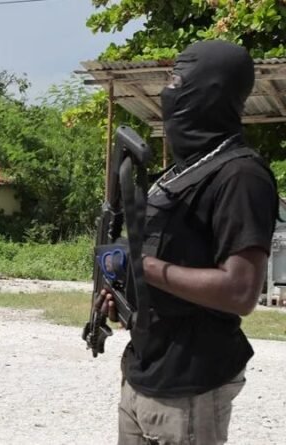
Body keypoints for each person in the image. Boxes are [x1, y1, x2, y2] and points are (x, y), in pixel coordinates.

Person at [98, 39, 280, 445]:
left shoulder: (241, 176)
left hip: (191, 385)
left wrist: (142, 266)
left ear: (210, 91)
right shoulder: (178, 173)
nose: (169, 93)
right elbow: (166, 255)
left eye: (179, 82)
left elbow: (240, 291)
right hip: (144, 372)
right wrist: (124, 295)